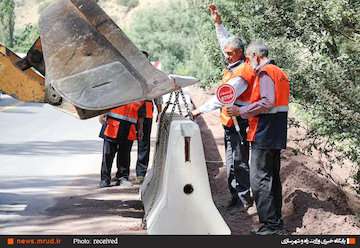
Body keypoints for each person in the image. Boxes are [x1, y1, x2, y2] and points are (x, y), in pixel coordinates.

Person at [192, 4, 255, 210]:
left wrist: (200, 110)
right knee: (230, 162)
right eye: (226, 53)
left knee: (239, 161)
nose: (225, 56)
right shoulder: (235, 61)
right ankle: (235, 196)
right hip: (229, 122)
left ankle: (244, 199)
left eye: (229, 53)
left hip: (240, 122)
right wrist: (218, 23)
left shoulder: (242, 74)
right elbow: (224, 42)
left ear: (238, 53)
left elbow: (223, 96)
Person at [226, 41, 290, 235]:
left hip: (264, 131)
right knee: (271, 178)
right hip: (275, 132)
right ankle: (275, 223)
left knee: (259, 179)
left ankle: (270, 226)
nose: (248, 61)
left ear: (256, 56)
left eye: (248, 57)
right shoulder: (279, 72)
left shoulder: (265, 72)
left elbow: (267, 102)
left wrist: (240, 110)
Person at [98, 101, 145, 188]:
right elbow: (105, 100)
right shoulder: (119, 89)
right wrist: (101, 114)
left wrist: (140, 129)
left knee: (125, 155)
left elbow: (141, 115)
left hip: (129, 128)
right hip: (112, 125)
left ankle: (123, 177)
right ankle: (105, 179)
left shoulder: (140, 95)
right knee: (108, 154)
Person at [135, 51, 163, 185]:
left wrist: (160, 111)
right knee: (125, 144)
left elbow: (157, 94)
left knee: (143, 143)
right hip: (130, 113)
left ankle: (140, 174)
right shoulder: (130, 73)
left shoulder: (151, 76)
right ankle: (121, 173)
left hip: (145, 112)